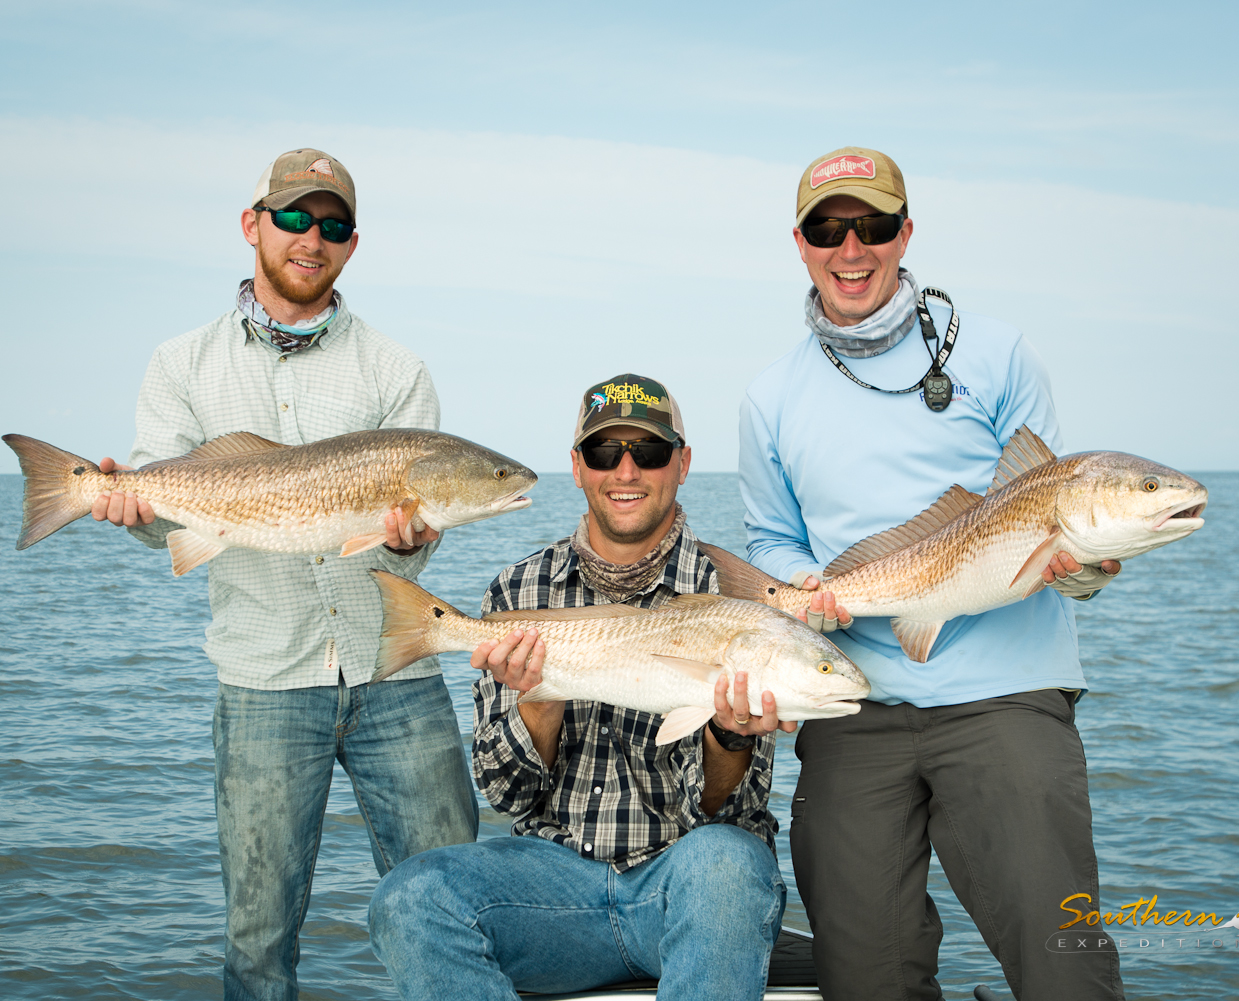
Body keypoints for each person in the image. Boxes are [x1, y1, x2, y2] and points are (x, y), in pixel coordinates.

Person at [89, 148, 478, 1001]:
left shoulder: (396, 371)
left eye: (332, 225)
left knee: (456, 902)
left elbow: (416, 541)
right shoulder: (180, 365)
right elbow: (170, 534)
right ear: (253, 224)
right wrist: (134, 514)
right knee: (258, 945)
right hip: (263, 679)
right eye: (295, 218)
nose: (312, 239)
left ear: (351, 243)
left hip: (395, 673)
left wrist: (414, 539)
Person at [738, 147, 1126, 1000]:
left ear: (905, 233)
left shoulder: (996, 352)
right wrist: (814, 593)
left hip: (1007, 696)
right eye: (828, 228)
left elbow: (1059, 518)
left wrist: (1087, 569)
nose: (852, 248)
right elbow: (769, 541)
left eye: (872, 226)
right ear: (799, 242)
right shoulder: (771, 398)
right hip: (854, 697)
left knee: (1065, 968)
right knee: (866, 978)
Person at [368, 374, 788, 1001]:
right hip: (550, 891)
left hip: (683, 884)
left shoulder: (733, 594)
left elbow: (727, 813)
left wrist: (729, 733)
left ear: (682, 463)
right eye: (602, 452)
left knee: (729, 864)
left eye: (646, 452)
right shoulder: (516, 592)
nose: (625, 471)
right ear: (577, 467)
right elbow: (506, 796)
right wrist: (539, 699)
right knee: (410, 896)